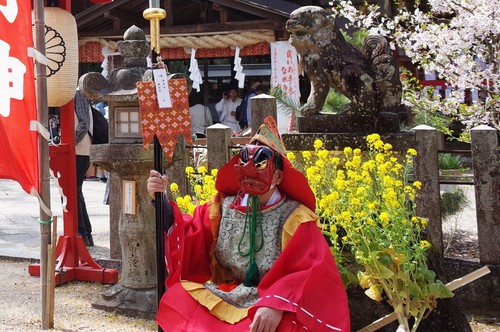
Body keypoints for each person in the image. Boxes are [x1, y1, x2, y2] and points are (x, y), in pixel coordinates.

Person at [147, 117, 350, 332]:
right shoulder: (221, 208)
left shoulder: (296, 217)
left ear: (278, 175)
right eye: (243, 162)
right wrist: (161, 200)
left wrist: (276, 304)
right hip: (229, 292)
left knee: (287, 326)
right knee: (177, 298)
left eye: (260, 164)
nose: (250, 170)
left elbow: (310, 270)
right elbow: (190, 235)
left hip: (271, 300)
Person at [74, 89, 94, 247]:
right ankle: (85, 233)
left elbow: (84, 123)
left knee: (72, 191)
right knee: (75, 192)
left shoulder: (78, 94)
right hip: (78, 150)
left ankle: (82, 233)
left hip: (80, 150)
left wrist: (71, 140)